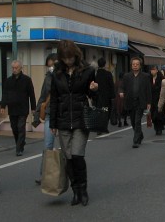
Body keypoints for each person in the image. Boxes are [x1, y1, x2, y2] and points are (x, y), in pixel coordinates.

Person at [50, 40, 98, 206]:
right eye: (65, 58)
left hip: (80, 119)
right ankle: (75, 191)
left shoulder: (87, 71)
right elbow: (54, 99)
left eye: (70, 57)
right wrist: (53, 123)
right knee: (68, 157)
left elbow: (94, 97)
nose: (68, 61)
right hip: (63, 120)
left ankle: (83, 190)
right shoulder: (56, 73)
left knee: (77, 155)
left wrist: (93, 90)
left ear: (75, 55)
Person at [0, 60, 36, 156]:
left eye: (16, 68)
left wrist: (33, 107)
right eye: (13, 68)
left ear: (21, 68)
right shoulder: (8, 81)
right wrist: (3, 105)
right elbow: (5, 94)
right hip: (12, 109)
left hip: (23, 109)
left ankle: (19, 148)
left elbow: (31, 94)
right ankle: (20, 143)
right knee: (14, 128)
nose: (14, 70)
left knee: (21, 127)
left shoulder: (27, 80)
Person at [33, 53, 57, 185]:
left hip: (63, 114)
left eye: (52, 65)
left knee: (67, 148)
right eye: (49, 66)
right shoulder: (48, 77)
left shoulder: (66, 75)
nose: (51, 68)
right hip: (49, 113)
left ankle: (68, 174)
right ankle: (43, 175)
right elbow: (43, 96)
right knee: (48, 146)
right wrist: (37, 115)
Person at [119, 57, 152, 148]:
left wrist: (149, 102)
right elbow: (122, 86)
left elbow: (148, 90)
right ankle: (140, 134)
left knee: (137, 121)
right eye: (133, 64)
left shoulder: (145, 76)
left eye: (137, 64)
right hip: (130, 101)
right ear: (131, 65)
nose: (135, 66)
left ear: (140, 65)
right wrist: (121, 92)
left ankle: (136, 141)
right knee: (133, 121)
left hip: (140, 101)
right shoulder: (127, 76)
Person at [94, 57, 115, 134]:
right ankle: (104, 127)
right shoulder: (108, 74)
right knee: (105, 112)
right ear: (105, 64)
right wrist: (113, 97)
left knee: (98, 112)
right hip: (106, 98)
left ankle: (99, 128)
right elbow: (111, 86)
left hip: (97, 97)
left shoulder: (95, 74)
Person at [150, 66, 165, 135]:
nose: (152, 71)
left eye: (154, 70)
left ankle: (160, 128)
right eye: (151, 70)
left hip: (160, 99)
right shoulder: (148, 78)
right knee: (153, 115)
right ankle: (156, 127)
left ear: (157, 70)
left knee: (159, 115)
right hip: (151, 100)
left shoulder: (161, 79)